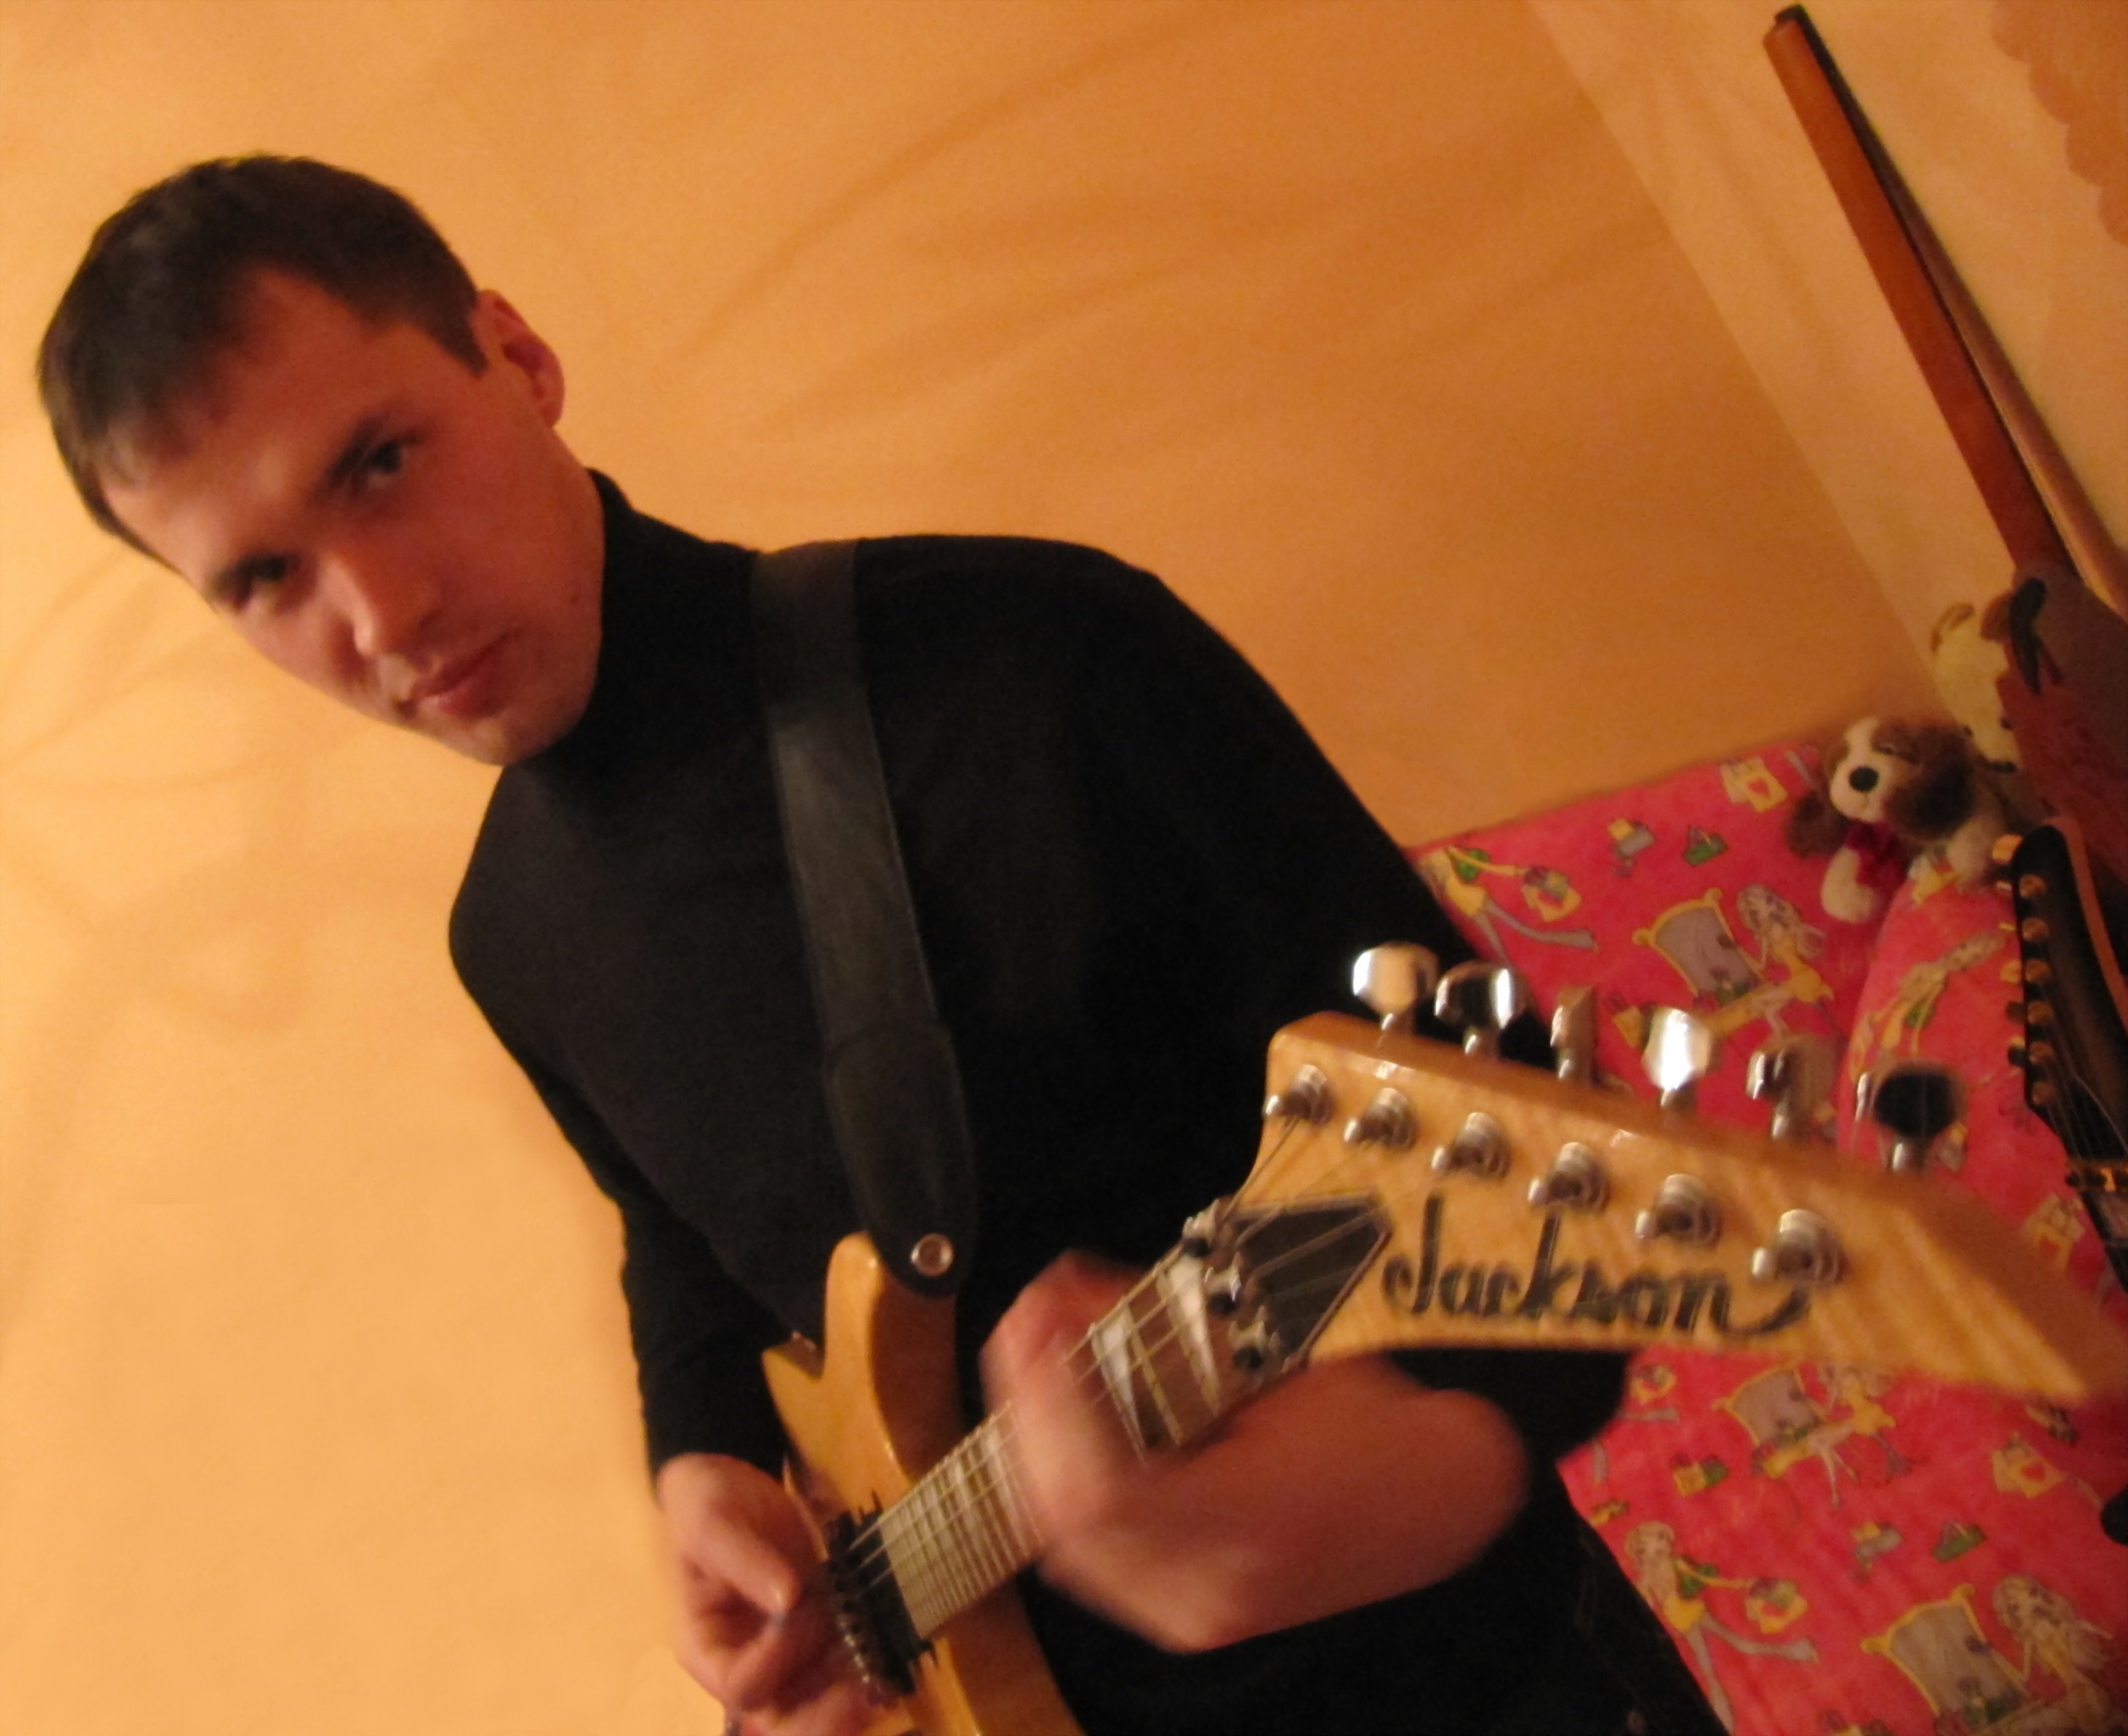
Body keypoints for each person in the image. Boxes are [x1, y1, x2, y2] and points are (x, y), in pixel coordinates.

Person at [39, 156, 1722, 1736]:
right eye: (263, 578)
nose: (377, 611)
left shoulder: (1033, 661)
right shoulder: (508, 937)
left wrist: (1412, 1486)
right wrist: (701, 1457)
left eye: (380, 461)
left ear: (519, 357)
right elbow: (685, 1237)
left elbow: (1537, 1175)